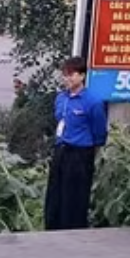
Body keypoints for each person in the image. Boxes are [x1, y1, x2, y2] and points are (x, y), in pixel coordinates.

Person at [44, 56, 107, 230]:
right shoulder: (61, 98)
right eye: (65, 75)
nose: (67, 79)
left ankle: (73, 231)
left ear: (82, 76)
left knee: (75, 199)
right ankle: (52, 229)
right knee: (55, 196)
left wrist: (90, 152)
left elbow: (99, 133)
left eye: (71, 75)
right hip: (61, 150)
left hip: (80, 154)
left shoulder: (93, 101)